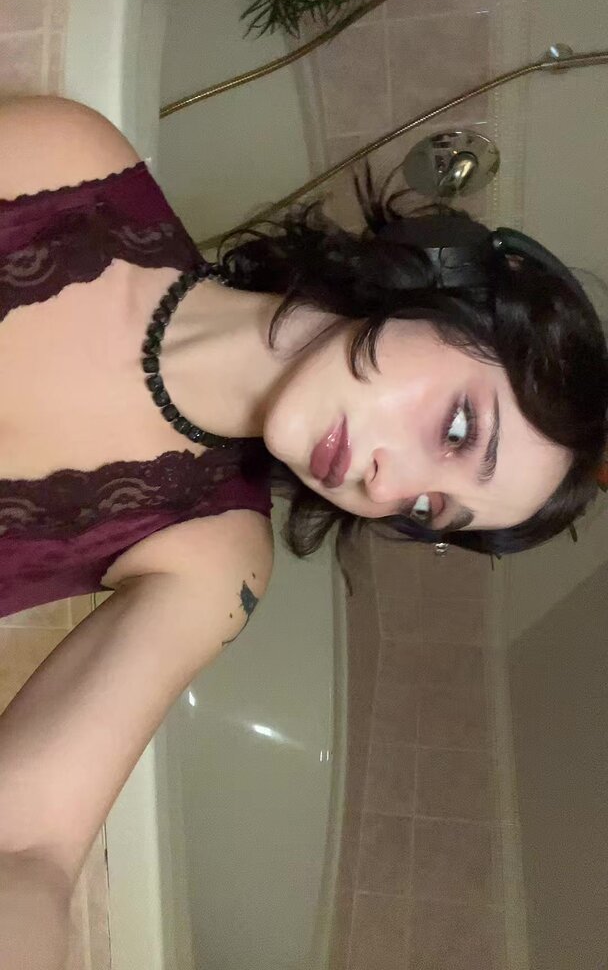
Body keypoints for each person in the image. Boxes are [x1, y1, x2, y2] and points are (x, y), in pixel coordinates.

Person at [0, 94, 606, 967]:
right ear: (443, 286)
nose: (387, 485)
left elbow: (27, 848)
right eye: (458, 429)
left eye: (429, 509)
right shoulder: (67, 168)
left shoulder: (210, 562)